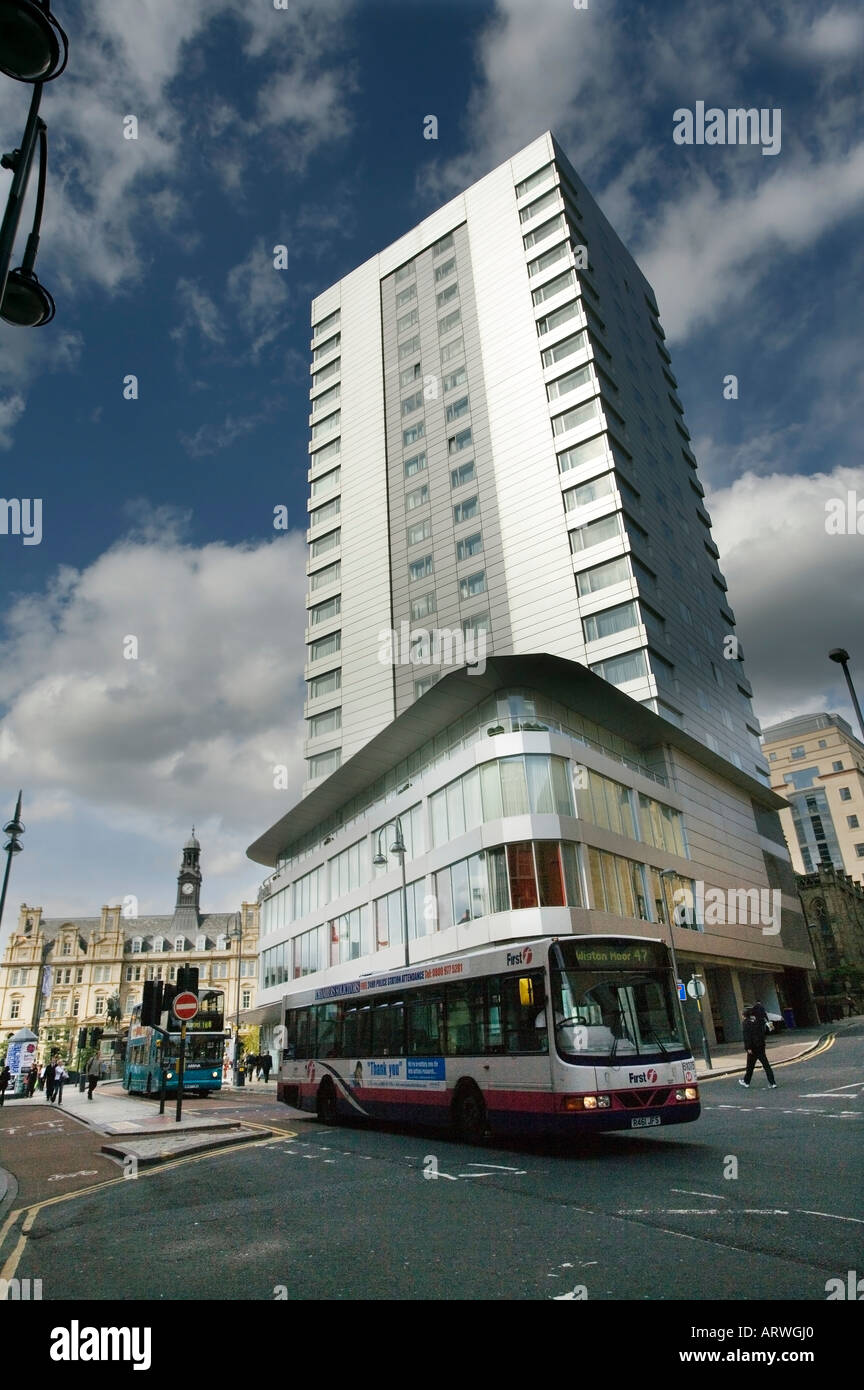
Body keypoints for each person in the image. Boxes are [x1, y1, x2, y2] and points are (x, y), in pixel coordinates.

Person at [739, 1005, 777, 1088]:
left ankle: (746, 1082)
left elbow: (747, 1036)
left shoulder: (746, 1023)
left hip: (752, 1047)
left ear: (744, 1015)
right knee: (766, 1065)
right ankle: (773, 1082)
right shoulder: (758, 1021)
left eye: (742, 1014)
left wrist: (748, 1047)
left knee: (750, 1066)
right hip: (760, 1046)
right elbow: (764, 1032)